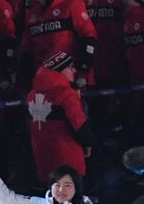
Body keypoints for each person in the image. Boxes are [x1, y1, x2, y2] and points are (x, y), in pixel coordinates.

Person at [26, 50, 93, 178]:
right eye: (70, 67)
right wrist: (88, 143)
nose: (74, 71)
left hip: (42, 159)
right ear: (60, 70)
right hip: (68, 160)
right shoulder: (66, 94)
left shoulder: (31, 95)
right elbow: (79, 126)